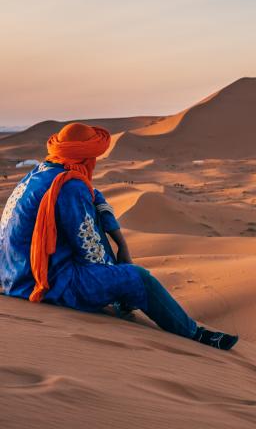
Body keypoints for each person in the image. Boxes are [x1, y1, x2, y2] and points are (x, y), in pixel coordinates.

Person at [0, 123, 238, 350]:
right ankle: (194, 333)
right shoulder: (70, 187)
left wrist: (119, 241)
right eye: (93, 158)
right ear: (86, 158)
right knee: (138, 278)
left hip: (13, 276)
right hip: (45, 285)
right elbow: (90, 249)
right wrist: (120, 273)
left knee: (111, 256)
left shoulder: (40, 174)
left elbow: (94, 196)